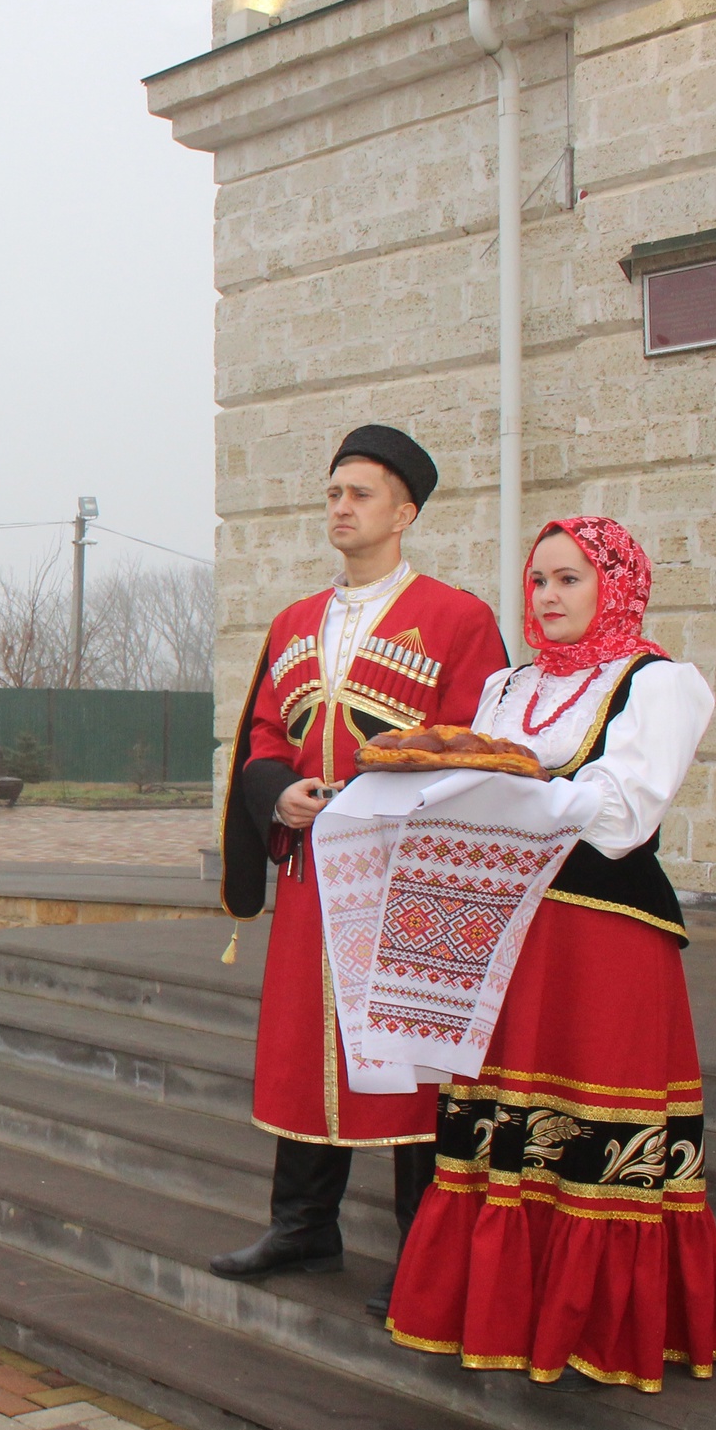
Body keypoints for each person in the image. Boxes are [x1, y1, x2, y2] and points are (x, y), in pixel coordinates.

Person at [387, 517, 716, 1392]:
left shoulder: (660, 684)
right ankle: (499, 1308)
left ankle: (595, 1324)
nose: (548, 596)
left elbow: (621, 819)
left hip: (605, 935)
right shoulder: (508, 688)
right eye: (538, 580)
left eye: (570, 579)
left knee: (596, 1120)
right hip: (512, 930)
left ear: (614, 585)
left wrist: (506, 790)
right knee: (504, 1119)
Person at [210, 426, 509, 1316]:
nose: (341, 507)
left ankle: (424, 1247)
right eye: (334, 492)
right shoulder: (294, 622)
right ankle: (304, 1223)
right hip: (312, 875)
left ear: (405, 512)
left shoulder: (457, 618)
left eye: (361, 493)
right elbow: (265, 733)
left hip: (406, 880)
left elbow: (476, 747)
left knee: (413, 1053)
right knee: (311, 1045)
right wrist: (279, 793)